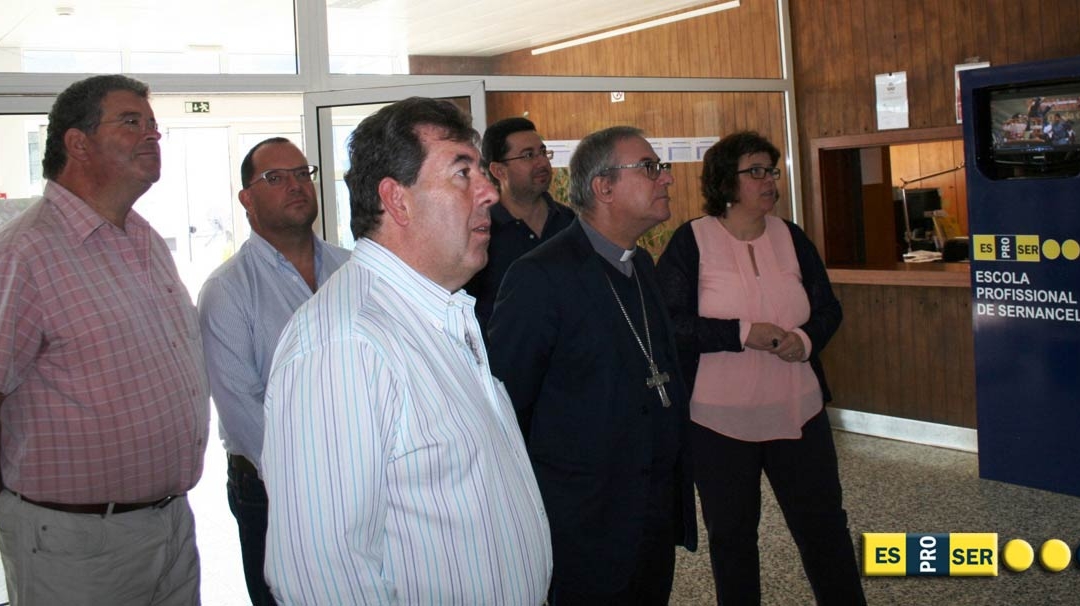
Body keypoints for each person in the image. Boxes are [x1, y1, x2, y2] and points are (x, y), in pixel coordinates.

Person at [260, 97, 552, 604]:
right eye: (463, 174)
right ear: (398, 200)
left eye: (483, 173)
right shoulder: (348, 345)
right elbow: (323, 578)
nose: (489, 192)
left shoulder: (440, 313)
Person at [0, 74, 210, 605]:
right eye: (131, 122)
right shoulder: (25, 254)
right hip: (76, 545)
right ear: (78, 143)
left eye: (154, 125)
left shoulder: (144, 240)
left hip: (171, 525)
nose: (152, 136)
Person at [488, 126, 697, 605]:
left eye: (661, 167)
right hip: (583, 526)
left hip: (650, 514)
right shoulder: (540, 276)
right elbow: (506, 406)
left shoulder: (640, 264)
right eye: (649, 168)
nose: (665, 179)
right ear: (603, 187)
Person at [655, 131, 865, 605]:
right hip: (718, 422)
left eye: (771, 170)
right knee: (732, 539)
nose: (769, 181)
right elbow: (671, 322)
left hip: (799, 414)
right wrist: (741, 332)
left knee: (824, 530)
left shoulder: (791, 236)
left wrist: (806, 339)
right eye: (756, 171)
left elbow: (828, 308)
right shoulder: (693, 240)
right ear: (727, 180)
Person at [197, 137, 349, 605]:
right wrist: (320, 476)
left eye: (303, 173)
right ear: (246, 198)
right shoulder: (228, 291)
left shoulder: (353, 270)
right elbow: (244, 409)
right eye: (276, 178)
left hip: (362, 475)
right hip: (274, 490)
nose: (296, 185)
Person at [463, 117, 574, 332]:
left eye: (542, 152)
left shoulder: (570, 224)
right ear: (498, 171)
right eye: (528, 155)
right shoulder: (480, 232)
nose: (542, 162)